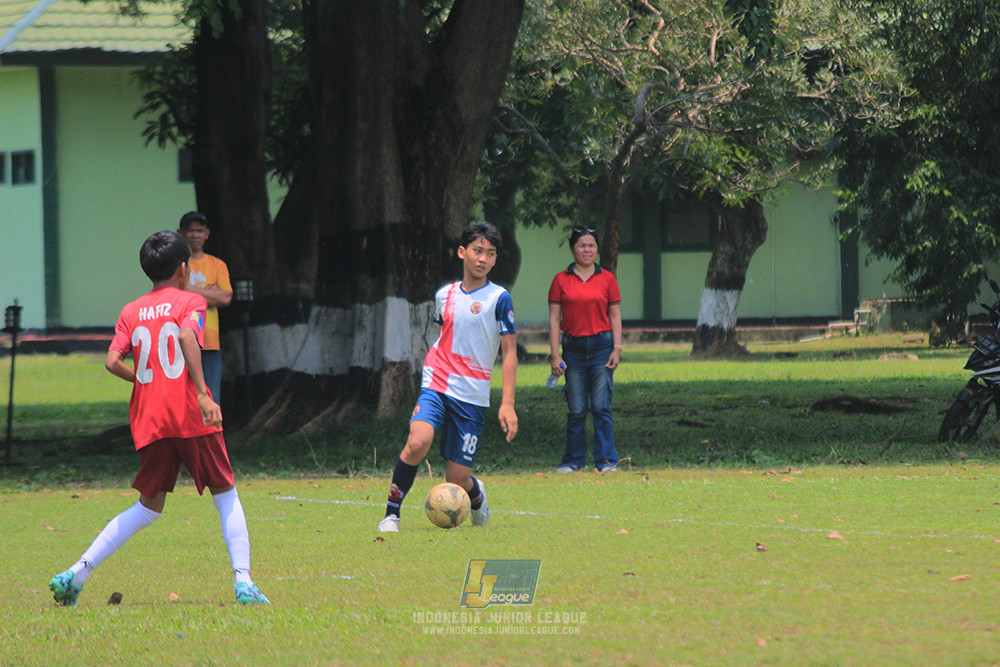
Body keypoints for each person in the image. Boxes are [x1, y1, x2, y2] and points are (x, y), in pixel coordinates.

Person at [48, 231, 268, 606]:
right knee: (225, 492)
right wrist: (202, 393)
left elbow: (111, 361)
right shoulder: (191, 300)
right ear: (183, 269)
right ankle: (243, 582)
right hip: (190, 414)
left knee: (147, 507)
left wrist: (144, 381)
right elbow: (186, 337)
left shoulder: (131, 310)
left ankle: (76, 573)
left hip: (150, 418)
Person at [378, 221, 518, 533]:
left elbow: (509, 353)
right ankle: (391, 515)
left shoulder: (499, 298)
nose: (483, 259)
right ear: (462, 252)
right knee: (418, 442)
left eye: (490, 254)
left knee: (457, 478)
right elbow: (445, 334)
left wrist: (507, 403)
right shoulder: (444, 295)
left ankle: (477, 494)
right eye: (477, 251)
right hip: (438, 381)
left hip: (472, 394)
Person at [548, 225, 623, 473]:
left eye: (591, 245)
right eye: (582, 245)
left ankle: (607, 461)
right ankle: (573, 460)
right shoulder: (560, 280)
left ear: (597, 249)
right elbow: (554, 319)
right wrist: (555, 355)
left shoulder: (607, 278)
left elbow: (615, 315)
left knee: (601, 406)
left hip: (602, 346)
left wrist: (617, 348)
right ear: (573, 249)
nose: (587, 250)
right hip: (573, 349)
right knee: (577, 408)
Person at [178, 211, 232, 401]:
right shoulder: (175, 264)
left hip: (209, 342)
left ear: (207, 233)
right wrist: (210, 292)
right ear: (181, 233)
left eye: (200, 231)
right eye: (190, 230)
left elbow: (225, 298)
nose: (195, 235)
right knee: (182, 399)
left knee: (210, 398)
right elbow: (173, 296)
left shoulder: (217, 265)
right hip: (179, 341)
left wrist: (188, 289)